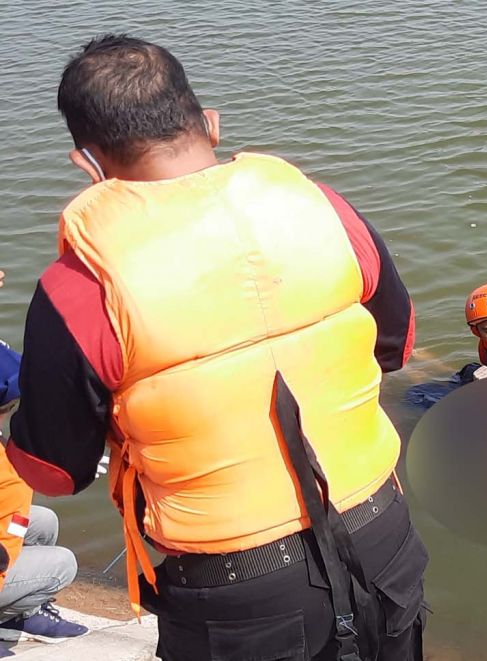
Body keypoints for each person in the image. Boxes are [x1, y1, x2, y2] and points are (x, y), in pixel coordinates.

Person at [6, 35, 426, 661]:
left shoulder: (79, 286)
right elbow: (397, 345)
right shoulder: (325, 210)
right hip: (379, 531)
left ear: (88, 163)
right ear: (210, 122)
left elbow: (55, 471)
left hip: (235, 587)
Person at [0, 341, 87, 657]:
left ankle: (21, 615)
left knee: (42, 521)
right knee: (62, 563)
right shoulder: (8, 472)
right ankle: (9, 615)